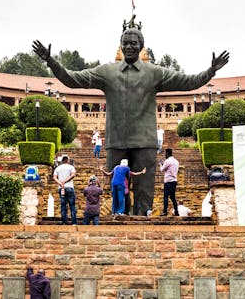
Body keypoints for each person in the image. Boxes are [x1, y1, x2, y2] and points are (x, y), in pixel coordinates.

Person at [32, 26, 228, 215]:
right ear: (120, 45)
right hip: (116, 141)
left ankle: (143, 229)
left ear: (141, 46)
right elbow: (72, 79)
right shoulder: (107, 72)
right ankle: (118, 224)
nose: (129, 47)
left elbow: (188, 82)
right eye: (125, 43)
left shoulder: (154, 73)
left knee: (144, 195)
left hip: (144, 142)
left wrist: (210, 71)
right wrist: (50, 61)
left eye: (133, 43)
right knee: (116, 190)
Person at [53, 155, 77, 225]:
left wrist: (60, 183)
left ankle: (64, 222)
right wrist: (65, 181)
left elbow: (54, 177)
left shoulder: (58, 168)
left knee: (63, 205)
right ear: (68, 160)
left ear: (62, 161)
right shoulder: (71, 167)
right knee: (72, 205)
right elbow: (73, 175)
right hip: (69, 187)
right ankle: (74, 222)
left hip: (61, 188)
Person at [159, 148, 179, 216]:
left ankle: (165, 211)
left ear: (167, 153)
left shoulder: (167, 161)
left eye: (165, 154)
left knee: (165, 196)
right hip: (174, 181)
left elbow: (162, 170)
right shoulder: (176, 161)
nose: (165, 155)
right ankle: (176, 211)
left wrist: (161, 164)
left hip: (168, 181)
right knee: (172, 197)